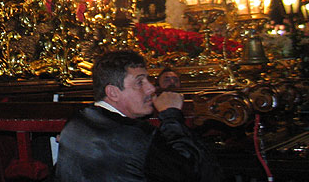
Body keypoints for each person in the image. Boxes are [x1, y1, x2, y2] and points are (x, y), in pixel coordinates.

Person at [54, 50, 221, 182]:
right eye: (140, 82)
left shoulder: (76, 121)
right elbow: (190, 171)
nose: (151, 89)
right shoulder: (138, 136)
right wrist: (171, 116)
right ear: (113, 92)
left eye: (148, 80)